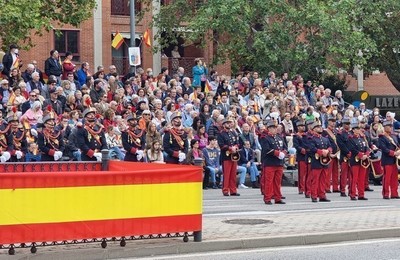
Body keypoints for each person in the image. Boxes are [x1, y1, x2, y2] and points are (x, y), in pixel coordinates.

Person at [259, 120, 287, 204]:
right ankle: (267, 198)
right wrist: (278, 153)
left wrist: (283, 153)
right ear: (269, 129)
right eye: (273, 128)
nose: (275, 129)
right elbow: (266, 150)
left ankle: (277, 197)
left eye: (275, 127)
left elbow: (285, 147)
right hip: (270, 163)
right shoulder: (265, 138)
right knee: (269, 182)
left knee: (277, 182)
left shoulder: (279, 137)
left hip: (279, 163)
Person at [308, 121, 336, 202]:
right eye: (317, 127)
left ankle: (322, 195)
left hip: (325, 161)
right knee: (315, 180)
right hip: (316, 162)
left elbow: (331, 146)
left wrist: (328, 150)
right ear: (313, 130)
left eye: (320, 127)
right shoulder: (311, 139)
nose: (319, 128)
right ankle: (314, 195)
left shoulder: (325, 138)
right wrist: (321, 152)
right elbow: (311, 148)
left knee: (323, 180)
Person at [217, 118, 240, 196]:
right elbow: (221, 145)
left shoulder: (233, 132)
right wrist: (230, 148)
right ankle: (225, 190)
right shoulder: (221, 134)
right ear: (224, 125)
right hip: (226, 156)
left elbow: (237, 142)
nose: (229, 124)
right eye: (227, 123)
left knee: (233, 174)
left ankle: (233, 190)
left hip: (234, 156)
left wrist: (236, 147)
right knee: (226, 174)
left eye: (230, 123)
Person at [348, 121, 370, 200]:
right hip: (355, 160)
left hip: (363, 161)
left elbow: (366, 147)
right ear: (353, 130)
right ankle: (353, 194)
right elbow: (352, 149)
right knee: (354, 178)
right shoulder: (351, 139)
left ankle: (361, 194)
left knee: (362, 178)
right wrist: (361, 155)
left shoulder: (362, 139)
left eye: (358, 129)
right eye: (356, 129)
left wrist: (366, 154)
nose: (358, 130)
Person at [378, 120, 400, 199]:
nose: (390, 128)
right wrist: (393, 153)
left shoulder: (394, 136)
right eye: (388, 126)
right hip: (387, 159)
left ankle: (394, 193)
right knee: (387, 178)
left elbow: (397, 145)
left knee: (394, 178)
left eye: (391, 126)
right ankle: (386, 193)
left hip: (394, 160)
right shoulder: (382, 137)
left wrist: (398, 151)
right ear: (384, 127)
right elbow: (384, 148)